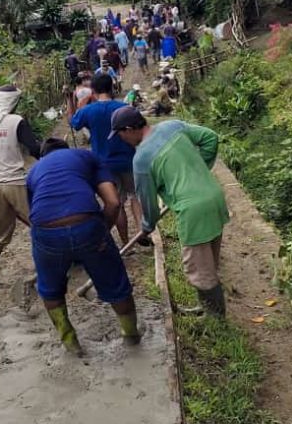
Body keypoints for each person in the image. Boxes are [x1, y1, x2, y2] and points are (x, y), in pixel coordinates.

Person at [110, 108, 230, 316]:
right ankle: (208, 308)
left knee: (199, 269)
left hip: (194, 211)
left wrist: (147, 226)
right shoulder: (172, 126)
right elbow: (210, 138)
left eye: (120, 134)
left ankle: (215, 319)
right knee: (208, 260)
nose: (121, 139)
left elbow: (148, 205)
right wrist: (199, 169)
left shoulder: (142, 159)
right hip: (214, 197)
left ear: (129, 129)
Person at [25, 138, 140, 353]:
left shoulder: (33, 172)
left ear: (43, 156)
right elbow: (113, 202)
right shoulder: (86, 156)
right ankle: (131, 337)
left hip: (46, 233)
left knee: (50, 289)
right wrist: (101, 233)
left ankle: (70, 343)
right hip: (86, 224)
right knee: (116, 284)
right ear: (67, 149)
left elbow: (35, 215)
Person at [0, 85, 41, 289]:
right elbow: (34, 148)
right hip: (16, 181)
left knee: (3, 229)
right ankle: (47, 266)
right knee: (39, 222)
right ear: (12, 102)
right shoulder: (16, 121)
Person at [70, 74, 148, 249]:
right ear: (111, 87)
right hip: (129, 160)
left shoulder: (88, 111)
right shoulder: (124, 108)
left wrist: (76, 104)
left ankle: (126, 243)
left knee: (117, 203)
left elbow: (74, 123)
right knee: (136, 196)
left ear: (94, 90)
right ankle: (141, 231)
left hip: (104, 165)